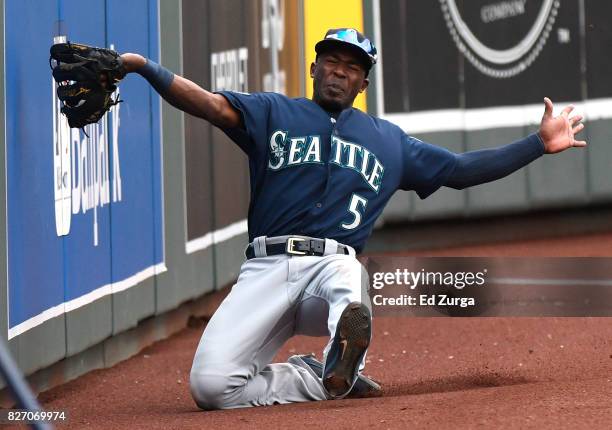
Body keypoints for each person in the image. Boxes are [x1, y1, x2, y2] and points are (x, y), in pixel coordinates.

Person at [118, 28, 587, 409]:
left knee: (347, 271)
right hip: (265, 269)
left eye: (353, 67)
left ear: (364, 84)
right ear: (314, 68)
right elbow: (209, 104)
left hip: (330, 273)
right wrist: (145, 68)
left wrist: (537, 145)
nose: (339, 72)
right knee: (211, 387)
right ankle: (319, 378)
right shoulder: (273, 111)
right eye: (332, 62)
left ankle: (346, 353)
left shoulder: (390, 142)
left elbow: (461, 171)